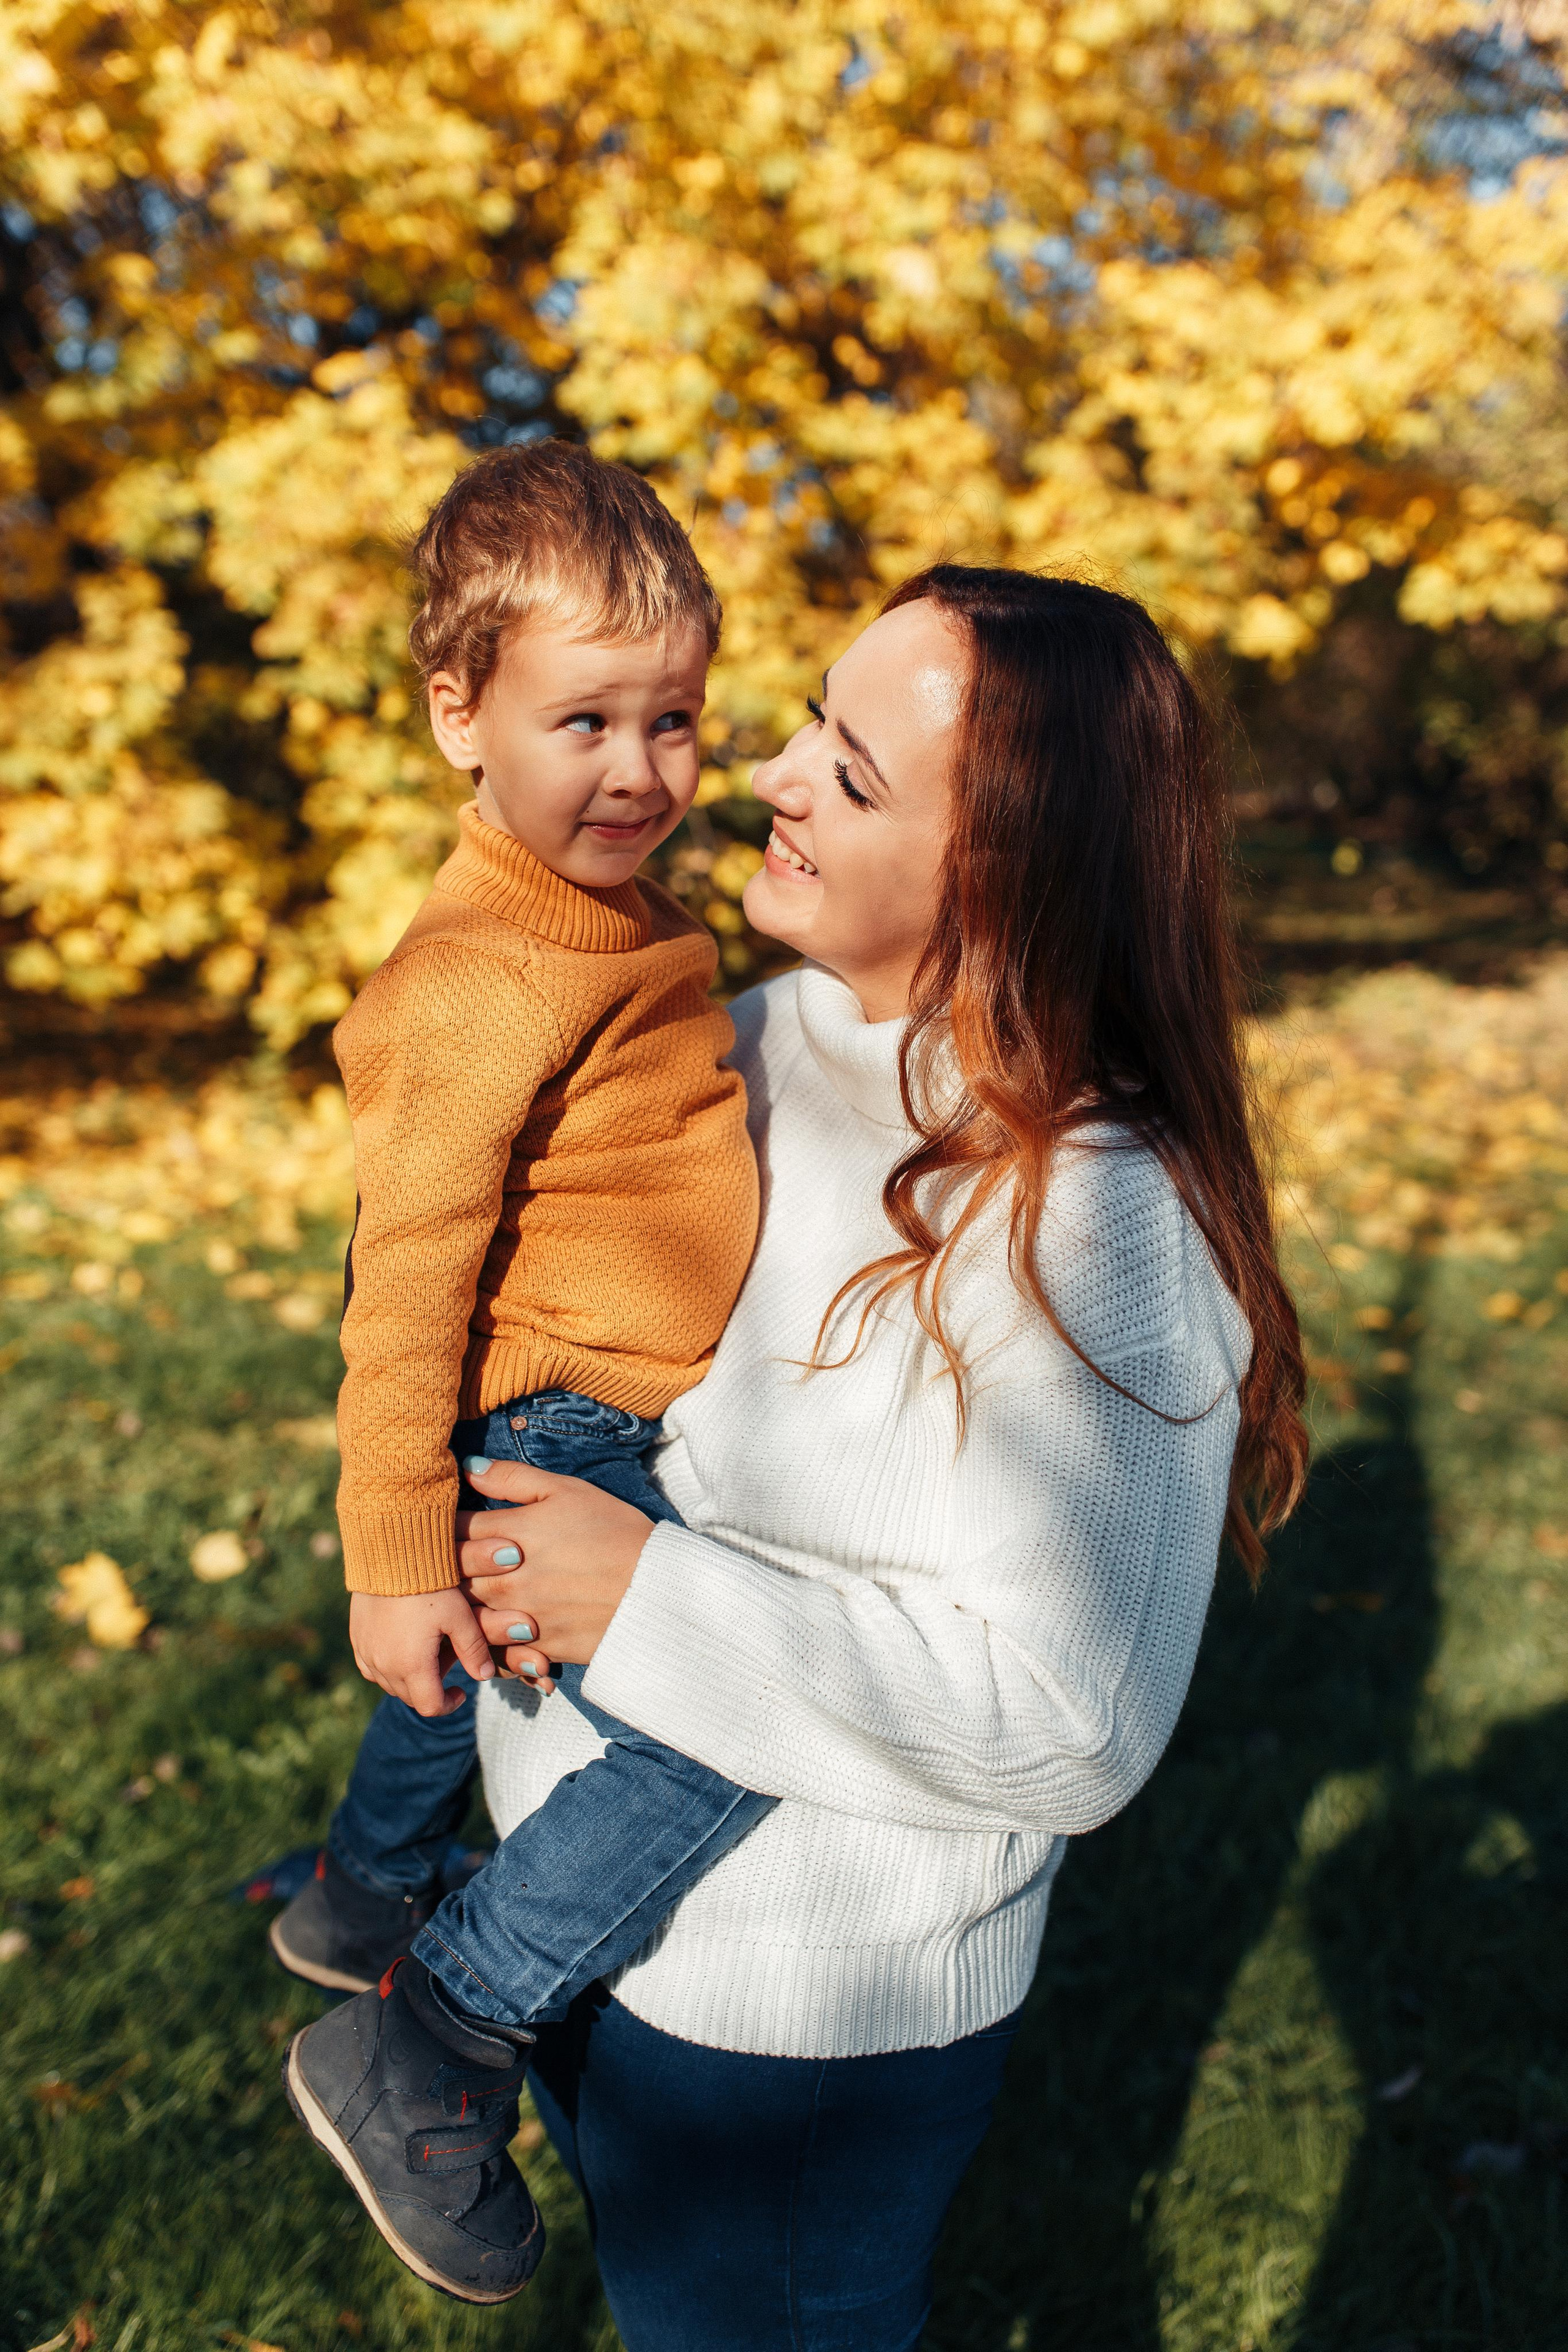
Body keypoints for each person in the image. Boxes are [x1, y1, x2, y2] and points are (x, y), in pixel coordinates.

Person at [440, 566, 1311, 2349]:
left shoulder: (1101, 1220)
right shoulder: (731, 1046)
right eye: (807, 725)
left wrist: (646, 1599)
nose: (766, 771)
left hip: (791, 2025)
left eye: (852, 770)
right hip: (550, 1911)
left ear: (1001, 871)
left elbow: (1075, 1722)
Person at [276, 440, 774, 2305]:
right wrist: (394, 1547)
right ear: (457, 716)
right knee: (736, 1723)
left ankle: (363, 1888)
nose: (640, 771)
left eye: (676, 720)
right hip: (558, 1417)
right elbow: (405, 1281)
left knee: (466, 1682)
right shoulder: (483, 972)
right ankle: (438, 2032)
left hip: (599, 1400)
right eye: (587, 722)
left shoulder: (620, 924)